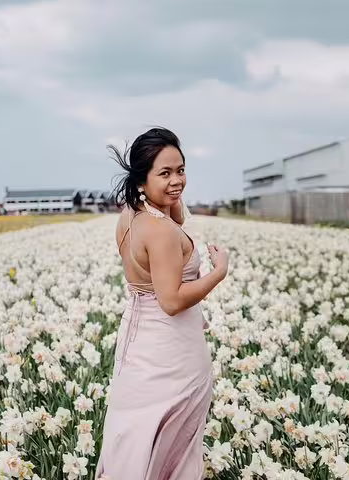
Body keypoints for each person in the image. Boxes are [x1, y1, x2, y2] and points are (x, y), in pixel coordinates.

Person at [96, 127, 229, 479]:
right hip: (173, 352)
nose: (177, 181)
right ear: (142, 178)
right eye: (165, 173)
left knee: (136, 437)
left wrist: (167, 192)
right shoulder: (161, 231)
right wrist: (219, 272)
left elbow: (177, 218)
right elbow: (171, 301)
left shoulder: (131, 216)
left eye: (181, 170)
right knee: (174, 446)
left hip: (140, 346)